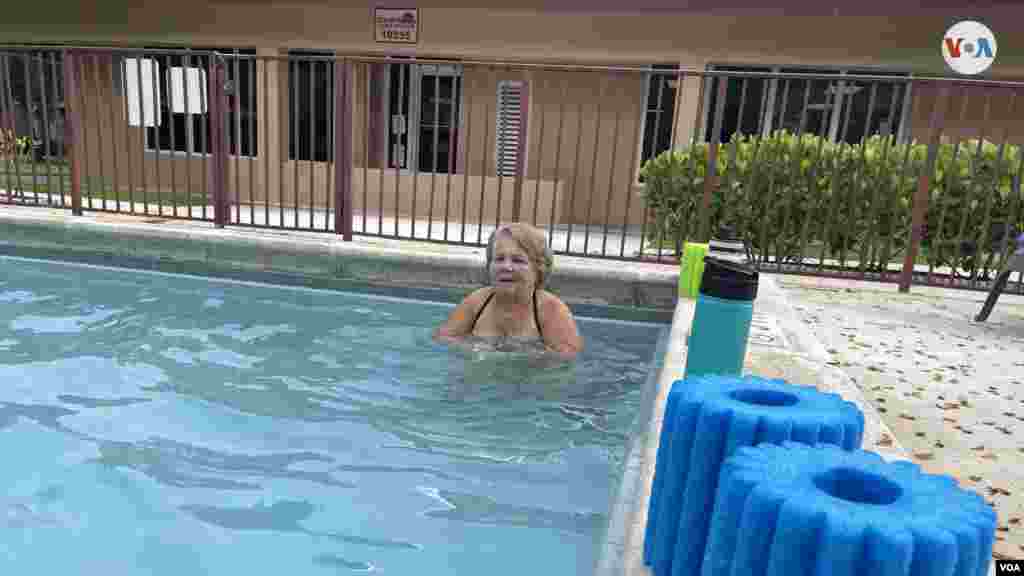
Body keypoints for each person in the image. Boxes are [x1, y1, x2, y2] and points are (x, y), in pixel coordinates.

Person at [433, 223, 583, 359]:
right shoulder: (477, 302)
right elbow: (443, 339)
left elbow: (565, 358)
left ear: (538, 269)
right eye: (499, 259)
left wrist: (515, 355)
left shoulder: (551, 309)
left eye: (518, 260)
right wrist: (472, 348)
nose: (506, 267)